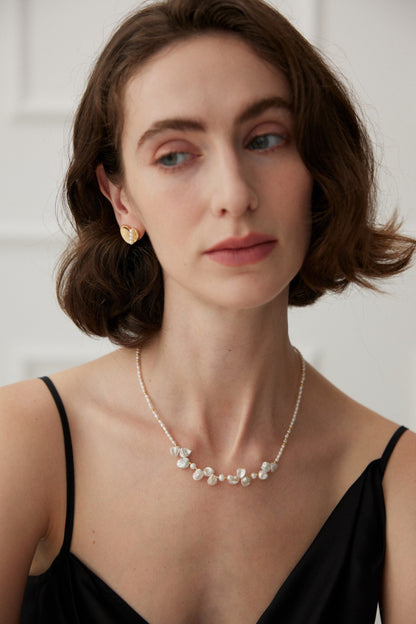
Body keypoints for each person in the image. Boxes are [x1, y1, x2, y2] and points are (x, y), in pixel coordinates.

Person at [1, 0, 415, 622]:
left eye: (266, 139)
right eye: (174, 154)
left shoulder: (397, 477)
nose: (235, 194)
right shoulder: (22, 440)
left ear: (317, 165)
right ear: (120, 200)